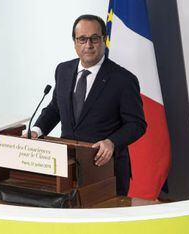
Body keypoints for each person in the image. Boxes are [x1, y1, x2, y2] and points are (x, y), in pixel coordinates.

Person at [25, 14, 147, 196]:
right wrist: (36, 130)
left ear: (104, 40)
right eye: (82, 39)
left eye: (94, 39)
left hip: (106, 170)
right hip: (66, 167)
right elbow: (56, 108)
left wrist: (111, 142)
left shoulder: (123, 79)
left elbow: (137, 124)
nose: (88, 45)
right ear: (74, 42)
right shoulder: (63, 70)